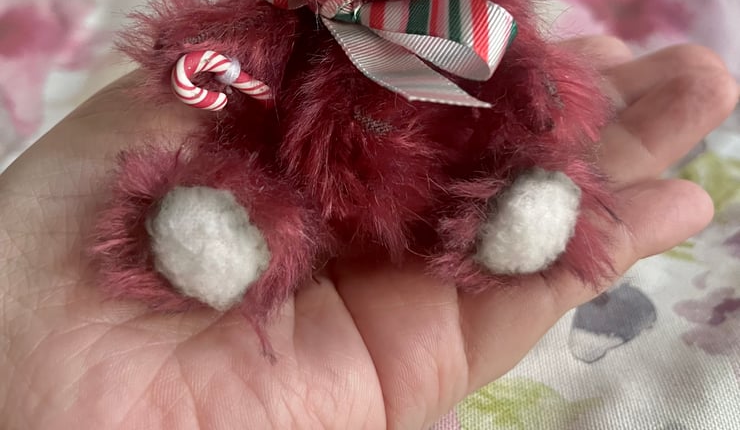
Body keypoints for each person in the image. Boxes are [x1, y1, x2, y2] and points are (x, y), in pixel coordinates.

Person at [0, 37, 736, 429]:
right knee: (236, 178)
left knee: (507, 155)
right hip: (293, 171)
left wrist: (543, 98)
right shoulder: (289, 12)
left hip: (439, 181)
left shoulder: (470, 26)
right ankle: (233, 228)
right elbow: (202, 55)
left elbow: (531, 82)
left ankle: (503, 207)